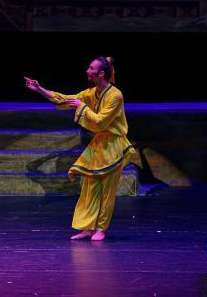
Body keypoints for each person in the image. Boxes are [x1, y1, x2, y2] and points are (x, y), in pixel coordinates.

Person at [25, 56, 141, 241]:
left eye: (91, 68)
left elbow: (101, 122)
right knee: (89, 187)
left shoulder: (115, 95)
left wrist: (83, 108)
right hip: (99, 144)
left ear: (101, 73)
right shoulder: (91, 93)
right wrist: (40, 89)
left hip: (113, 145)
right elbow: (64, 99)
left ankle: (101, 228)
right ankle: (88, 227)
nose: (87, 70)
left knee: (107, 189)